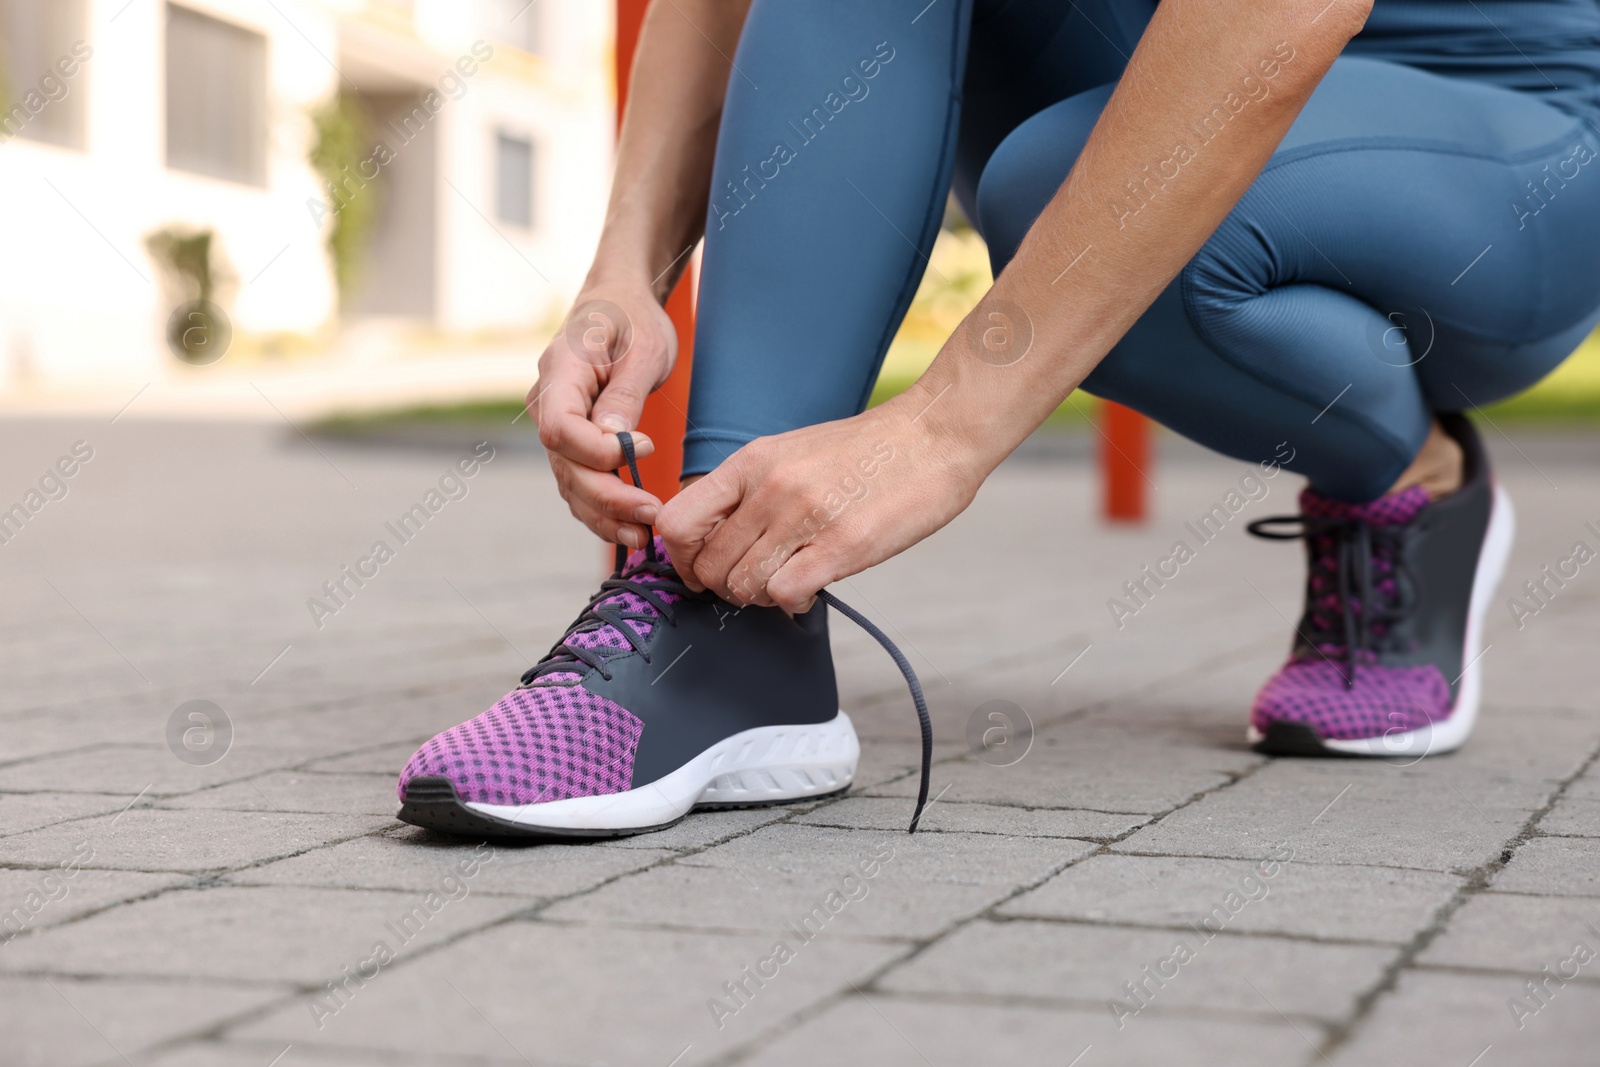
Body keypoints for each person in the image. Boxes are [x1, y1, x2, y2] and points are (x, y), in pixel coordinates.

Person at [396, 0, 1600, 838]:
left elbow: (1280, 13)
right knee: (1062, 181)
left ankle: (1420, 485)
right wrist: (623, 273)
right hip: (1140, 55)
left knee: (1074, 202)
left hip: (1511, 134)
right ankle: (727, 616)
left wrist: (942, 431)